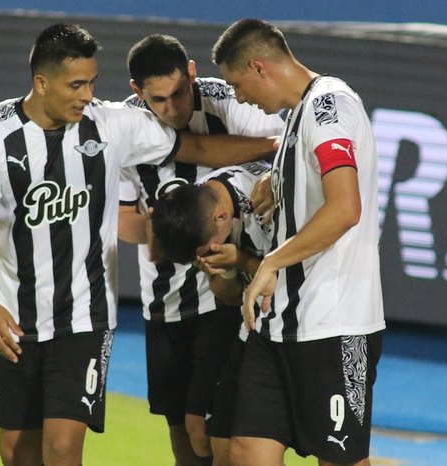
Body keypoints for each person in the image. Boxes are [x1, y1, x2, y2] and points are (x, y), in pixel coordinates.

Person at [0, 23, 277, 466]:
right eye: (76, 85)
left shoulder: (112, 124)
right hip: (16, 314)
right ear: (42, 83)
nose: (88, 95)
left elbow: (198, 148)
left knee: (62, 447)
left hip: (85, 316)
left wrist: (279, 148)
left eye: (92, 82)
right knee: (15, 450)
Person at [211, 19, 386, 466]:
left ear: (259, 66)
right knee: (245, 451)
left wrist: (271, 262)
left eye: (238, 84)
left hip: (334, 323)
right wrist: (277, 179)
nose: (240, 97)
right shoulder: (298, 117)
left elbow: (345, 208)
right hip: (278, 323)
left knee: (340, 460)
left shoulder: (329, 105)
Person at [118, 34, 284, 465]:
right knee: (183, 440)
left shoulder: (234, 104)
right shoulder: (126, 128)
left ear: (192, 72)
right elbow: (124, 222)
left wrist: (270, 177)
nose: (172, 108)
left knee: (210, 431)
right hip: (163, 301)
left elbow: (286, 149)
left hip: (225, 295)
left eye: (179, 93)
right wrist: (173, 230)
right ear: (137, 91)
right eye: (159, 100)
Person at [150, 163, 273, 466]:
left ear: (220, 217)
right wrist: (228, 269)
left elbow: (296, 281)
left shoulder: (265, 201)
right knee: (212, 440)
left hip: (297, 330)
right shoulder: (200, 206)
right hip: (249, 327)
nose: (209, 252)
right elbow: (228, 296)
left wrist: (241, 261)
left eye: (208, 249)